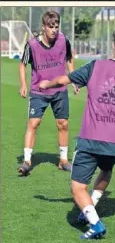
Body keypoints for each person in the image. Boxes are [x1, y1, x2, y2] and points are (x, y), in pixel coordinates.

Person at [38, 27, 115, 239]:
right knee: (106, 170)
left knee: (77, 188)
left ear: (114, 46)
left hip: (91, 139)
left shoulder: (96, 66)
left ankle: (95, 224)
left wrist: (46, 83)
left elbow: (63, 80)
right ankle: (91, 206)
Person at [17, 11, 79, 176]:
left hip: (59, 90)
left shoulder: (63, 40)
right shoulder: (32, 45)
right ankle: (27, 160)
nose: (54, 30)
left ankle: (64, 160)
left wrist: (73, 79)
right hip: (39, 91)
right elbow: (22, 64)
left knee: (63, 124)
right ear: (43, 27)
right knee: (34, 123)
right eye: (50, 27)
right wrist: (23, 84)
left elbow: (69, 58)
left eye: (56, 27)